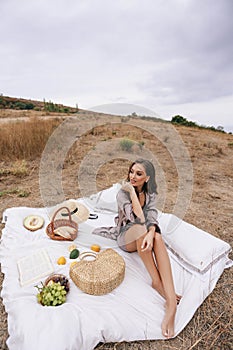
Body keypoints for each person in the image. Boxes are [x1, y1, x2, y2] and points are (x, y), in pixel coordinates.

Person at [93, 158, 180, 338]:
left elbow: (152, 218)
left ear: (147, 178)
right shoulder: (123, 193)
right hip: (126, 237)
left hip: (143, 234)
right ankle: (156, 281)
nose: (133, 176)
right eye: (132, 172)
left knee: (157, 236)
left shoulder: (151, 194)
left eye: (138, 174)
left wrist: (151, 232)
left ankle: (170, 302)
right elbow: (137, 220)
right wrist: (132, 194)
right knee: (144, 230)